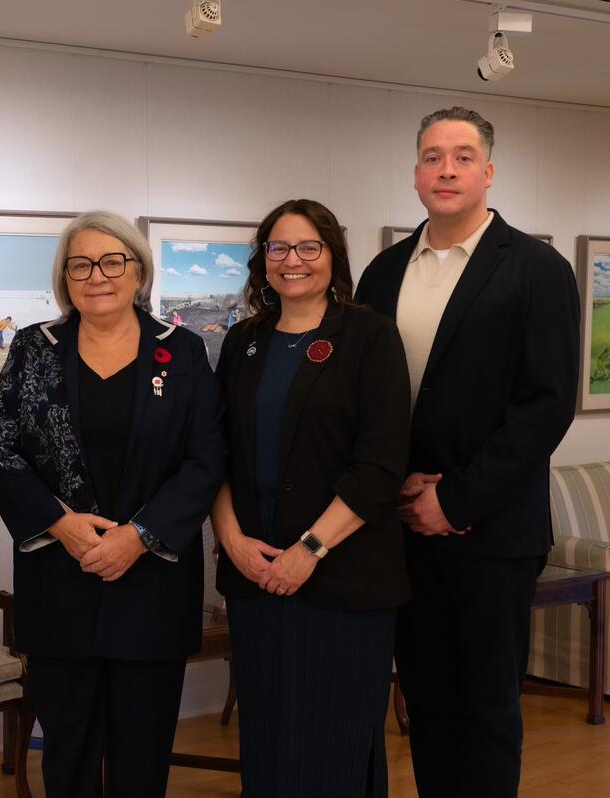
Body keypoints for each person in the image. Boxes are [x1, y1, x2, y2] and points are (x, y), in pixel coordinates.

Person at [356, 106, 579, 798]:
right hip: (402, 531)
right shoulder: (384, 272)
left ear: (488, 171)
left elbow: (545, 407)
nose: (445, 169)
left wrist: (453, 500)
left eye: (460, 156)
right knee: (425, 702)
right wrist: (395, 489)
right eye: (431, 156)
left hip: (492, 533)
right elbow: (365, 401)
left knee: (485, 708)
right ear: (415, 173)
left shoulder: (537, 270)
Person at [0, 211, 225, 797]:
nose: (98, 276)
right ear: (65, 277)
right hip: (60, 580)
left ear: (138, 272)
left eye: (113, 261)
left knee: (143, 757)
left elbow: (207, 460)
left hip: (152, 584)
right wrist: (60, 525)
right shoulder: (32, 348)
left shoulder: (184, 351)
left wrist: (138, 536)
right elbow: (0, 449)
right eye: (81, 264)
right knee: (68, 754)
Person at [211, 199, 411, 797]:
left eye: (308, 248)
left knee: (335, 745)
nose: (291, 260)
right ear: (262, 260)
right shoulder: (242, 342)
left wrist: (310, 549)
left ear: (332, 256)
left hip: (342, 580)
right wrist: (232, 541)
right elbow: (213, 455)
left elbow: (380, 464)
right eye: (278, 248)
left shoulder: (369, 336)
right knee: (269, 742)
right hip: (255, 577)